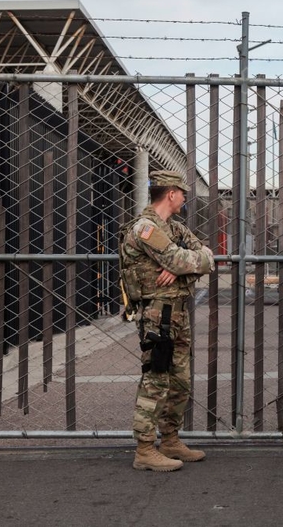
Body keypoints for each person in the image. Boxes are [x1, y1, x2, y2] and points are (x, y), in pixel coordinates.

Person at [119, 169, 215, 472]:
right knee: (156, 379)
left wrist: (180, 266)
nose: (185, 198)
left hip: (177, 313)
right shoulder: (145, 228)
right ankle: (145, 449)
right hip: (157, 314)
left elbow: (207, 256)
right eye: (182, 193)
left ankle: (170, 440)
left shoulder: (174, 228)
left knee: (180, 380)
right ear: (171, 193)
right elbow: (180, 258)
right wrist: (181, 263)